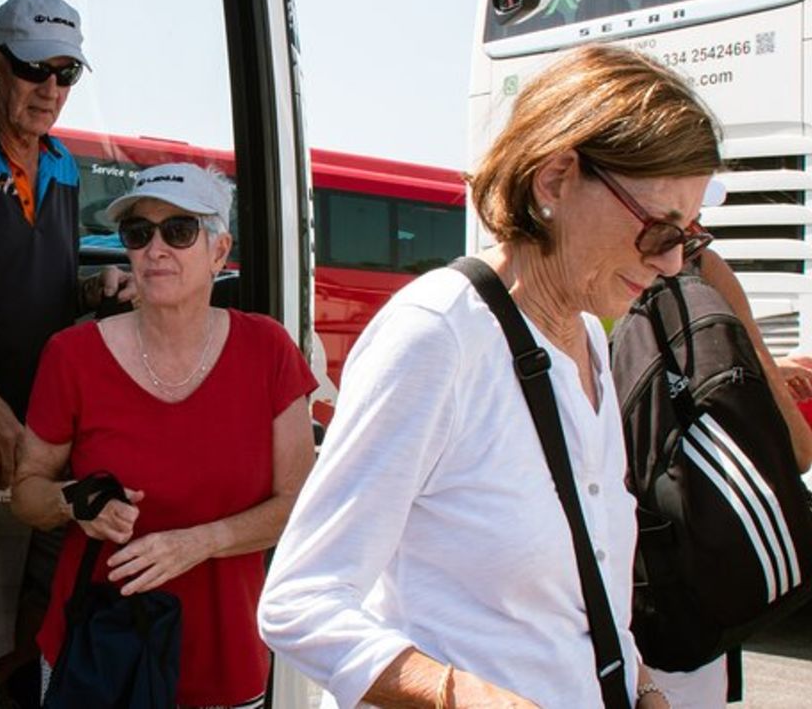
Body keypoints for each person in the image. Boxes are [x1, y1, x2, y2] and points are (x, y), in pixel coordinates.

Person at [258, 44, 721, 709]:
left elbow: (575, 597)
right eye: (658, 228)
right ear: (555, 179)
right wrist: (459, 692)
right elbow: (299, 601)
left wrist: (640, 684)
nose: (674, 262)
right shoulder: (437, 335)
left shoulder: (589, 335)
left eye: (690, 235)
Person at [11, 162, 317, 708]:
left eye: (178, 231)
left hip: (221, 664)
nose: (156, 248)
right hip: (97, 659)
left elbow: (298, 505)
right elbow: (26, 491)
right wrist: (76, 502)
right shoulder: (72, 356)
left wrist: (199, 543)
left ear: (219, 252)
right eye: (139, 232)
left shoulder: (267, 351)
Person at [0, 0, 132, 709]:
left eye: (67, 74)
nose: (50, 89)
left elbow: (41, 286)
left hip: (48, 442)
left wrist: (92, 290)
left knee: (53, 606)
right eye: (33, 69)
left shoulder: (64, 165)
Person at [642, 246, 812, 707]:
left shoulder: (545, 288)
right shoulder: (701, 269)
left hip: (577, 592)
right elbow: (797, 449)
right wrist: (767, 375)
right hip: (679, 586)